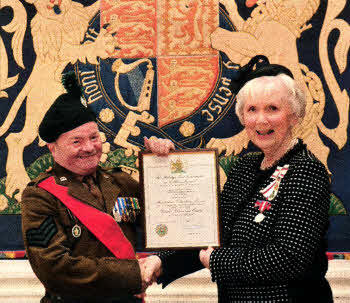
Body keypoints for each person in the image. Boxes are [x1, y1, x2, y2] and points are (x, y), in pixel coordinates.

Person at [142, 55, 333, 302]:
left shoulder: (306, 170)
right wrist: (161, 261)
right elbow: (212, 233)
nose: (261, 120)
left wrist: (215, 260)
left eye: (272, 109)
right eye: (252, 109)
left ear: (294, 115)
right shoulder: (244, 168)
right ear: (242, 117)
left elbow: (288, 258)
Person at [20, 73, 173, 303]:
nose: (89, 147)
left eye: (94, 137)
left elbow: (171, 219)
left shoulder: (120, 181)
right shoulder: (39, 196)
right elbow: (55, 269)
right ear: (53, 148)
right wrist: (133, 275)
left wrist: (162, 166)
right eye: (77, 141)